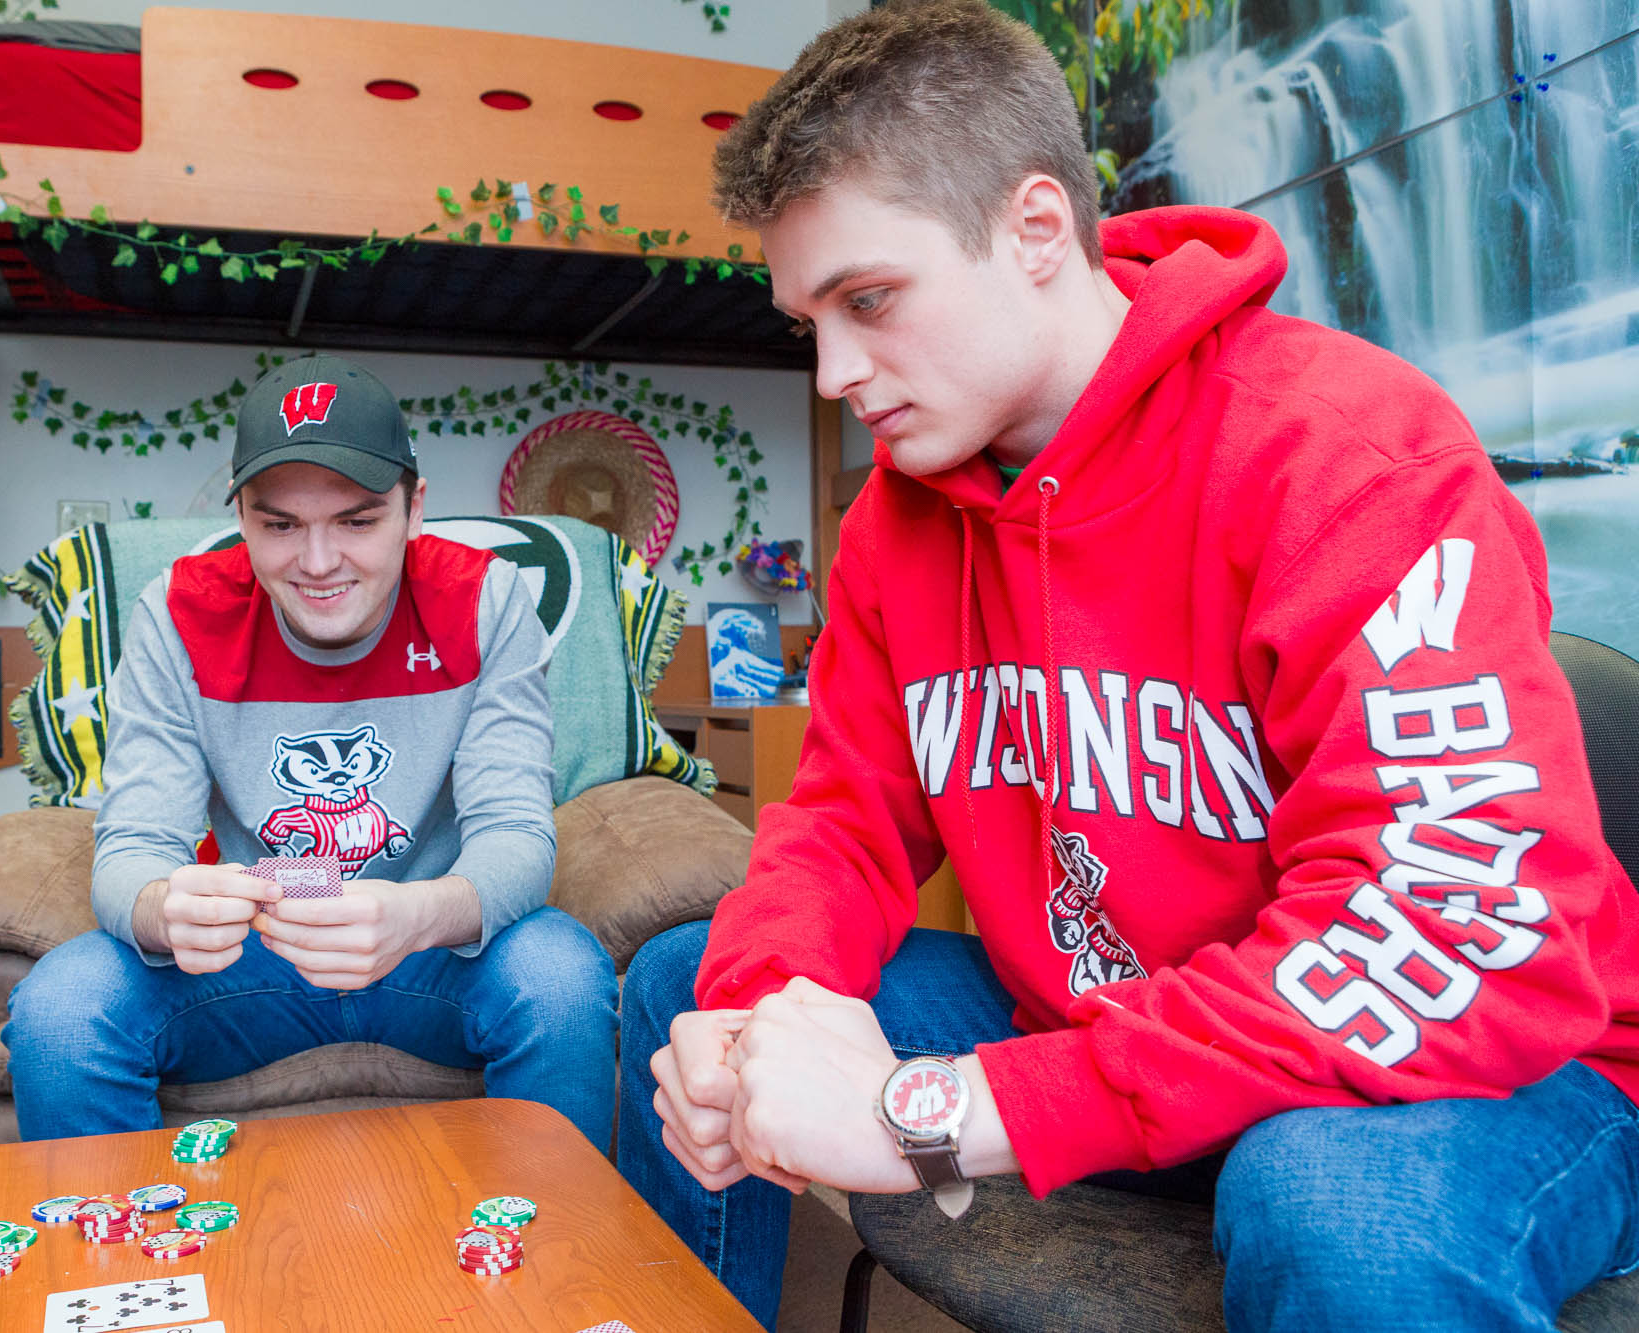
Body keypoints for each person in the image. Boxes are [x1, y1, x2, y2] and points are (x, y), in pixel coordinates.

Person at [616, 3, 1639, 1328]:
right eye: (811, 320)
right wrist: (753, 1019)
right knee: (688, 985)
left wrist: (929, 1111)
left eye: (869, 301)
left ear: (1040, 231)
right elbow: (839, 823)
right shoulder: (895, 524)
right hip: (1107, 1014)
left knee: (1333, 1204)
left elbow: (1433, 934)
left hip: (1477, 1061)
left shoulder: (1348, 457)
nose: (835, 373)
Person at [7, 353, 617, 1152]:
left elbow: (518, 836)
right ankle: (129, 1269)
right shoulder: (178, 613)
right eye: (279, 524)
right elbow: (131, 848)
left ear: (414, 508)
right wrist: (164, 909)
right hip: (252, 956)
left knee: (562, 976)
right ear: (243, 519)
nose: (319, 563)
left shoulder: (486, 599)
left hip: (431, 950)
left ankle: (555, 1265)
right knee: (60, 1008)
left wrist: (415, 914)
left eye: (359, 521)